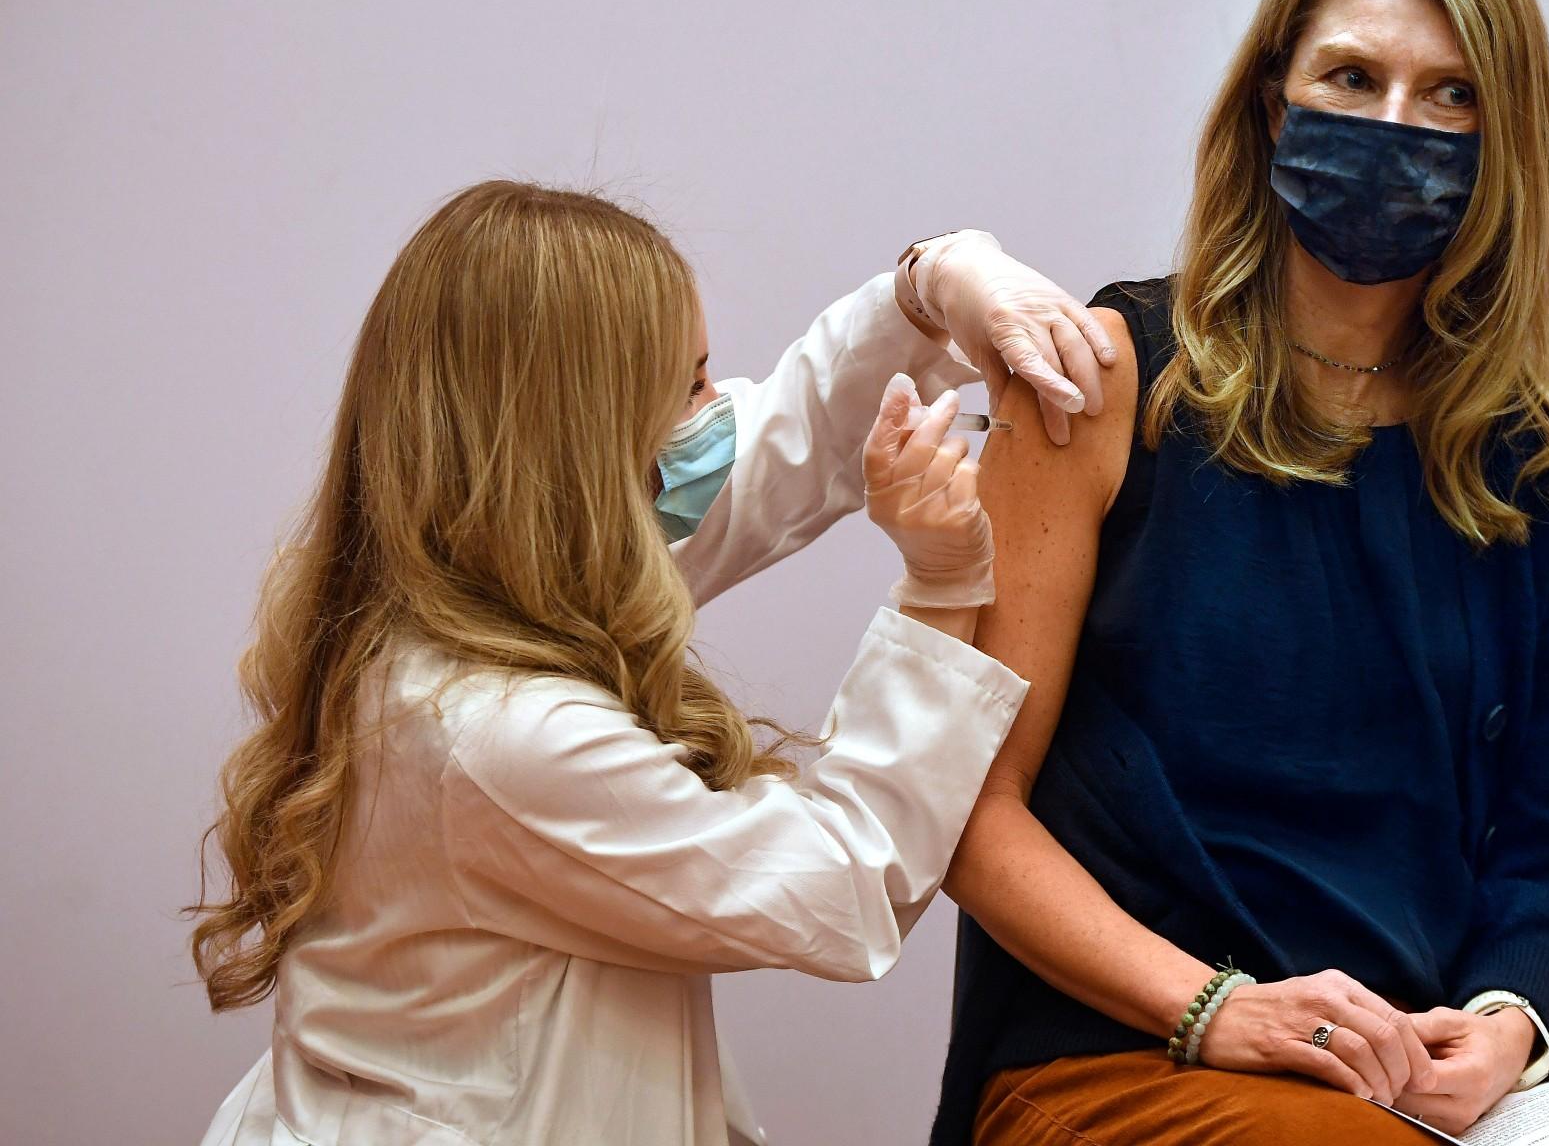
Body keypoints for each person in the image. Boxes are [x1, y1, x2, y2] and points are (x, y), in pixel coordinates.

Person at [190, 182, 1115, 1145]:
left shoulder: (487, 578)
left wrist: (933, 286)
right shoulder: (495, 732)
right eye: (687, 387)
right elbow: (840, 887)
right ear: (575, 441)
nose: (720, 413)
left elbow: (785, 440)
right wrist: (935, 592)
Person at [938, 0, 1549, 1144]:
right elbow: (969, 814)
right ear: (1272, 104)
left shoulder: (1537, 451)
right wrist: (1216, 1007)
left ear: (1502, 134)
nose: (1393, 125)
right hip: (1122, 1054)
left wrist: (1509, 1013)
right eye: (1352, 76)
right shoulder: (1103, 383)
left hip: (1404, 1080)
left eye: (1450, 94)